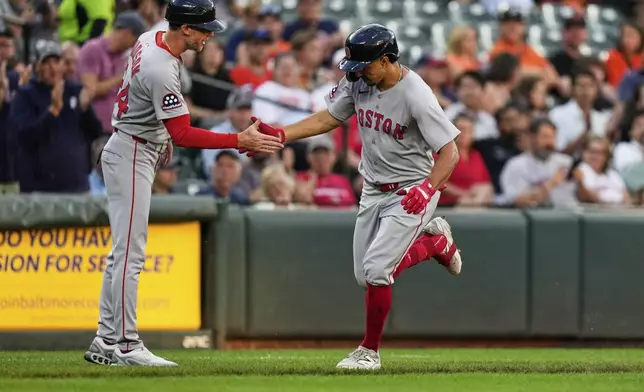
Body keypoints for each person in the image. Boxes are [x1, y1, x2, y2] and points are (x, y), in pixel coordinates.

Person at [247, 24, 463, 370]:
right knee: (366, 276)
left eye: (365, 64)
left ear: (387, 60)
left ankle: (369, 351)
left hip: (412, 189)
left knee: (378, 270)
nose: (358, 71)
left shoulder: (416, 94)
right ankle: (434, 245)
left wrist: (428, 188)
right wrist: (284, 133)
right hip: (374, 187)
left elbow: (450, 152)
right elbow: (330, 117)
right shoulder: (360, 79)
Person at [83, 0, 283, 368]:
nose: (210, 35)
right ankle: (126, 344)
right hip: (131, 152)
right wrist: (240, 140)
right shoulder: (161, 65)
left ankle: (106, 339)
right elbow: (184, 132)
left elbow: (158, 115)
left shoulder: (151, 36)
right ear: (185, 29)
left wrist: (161, 135)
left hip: (133, 143)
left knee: (121, 254)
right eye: (205, 28)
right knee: (130, 255)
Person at [9, 42, 102, 193]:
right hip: (38, 188)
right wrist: (52, 112)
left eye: (56, 61)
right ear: (36, 66)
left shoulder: (75, 90)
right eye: (46, 62)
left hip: (76, 184)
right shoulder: (25, 95)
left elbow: (95, 133)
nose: (52, 68)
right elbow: (24, 137)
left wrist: (86, 110)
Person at [78, 11, 148, 134]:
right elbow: (89, 90)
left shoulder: (122, 57)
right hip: (92, 131)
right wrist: (124, 76)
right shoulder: (93, 50)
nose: (135, 45)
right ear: (127, 33)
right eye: (135, 40)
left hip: (115, 132)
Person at [499, 118, 577, 208]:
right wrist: (551, 184)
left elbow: (585, 197)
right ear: (532, 138)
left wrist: (581, 183)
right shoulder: (516, 165)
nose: (549, 142)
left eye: (552, 137)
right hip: (533, 217)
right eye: (545, 137)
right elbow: (516, 201)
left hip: (568, 216)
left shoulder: (567, 162)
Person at [572, 136, 630, 205]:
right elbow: (587, 197)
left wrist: (600, 195)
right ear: (583, 152)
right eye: (592, 151)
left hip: (616, 213)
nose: (596, 156)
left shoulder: (612, 174)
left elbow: (626, 198)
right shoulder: (580, 170)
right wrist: (616, 197)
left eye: (601, 153)